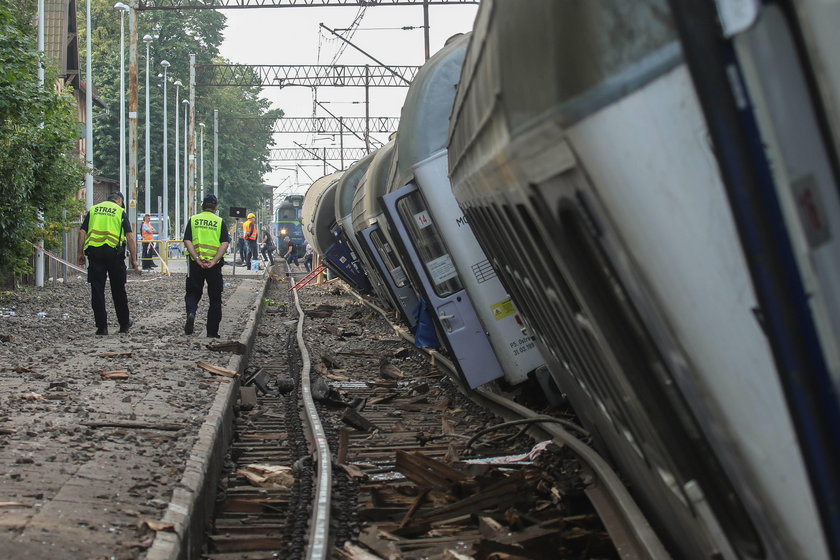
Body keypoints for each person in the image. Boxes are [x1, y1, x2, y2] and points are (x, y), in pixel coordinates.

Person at [77, 191, 139, 335]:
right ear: (119, 201)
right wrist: (134, 260)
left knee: (97, 290)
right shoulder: (120, 211)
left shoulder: (94, 210)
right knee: (118, 290)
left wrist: (80, 253)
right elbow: (129, 236)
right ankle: (124, 324)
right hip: (115, 255)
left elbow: (81, 232)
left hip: (95, 254)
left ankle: (102, 327)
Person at [183, 194, 230, 338]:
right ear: (215, 207)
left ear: (202, 206)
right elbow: (224, 243)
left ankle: (191, 313)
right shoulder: (219, 221)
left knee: (192, 292)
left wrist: (197, 258)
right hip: (213, 266)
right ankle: (212, 332)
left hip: (195, 264)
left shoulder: (194, 220)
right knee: (215, 298)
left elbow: (187, 240)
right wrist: (214, 260)